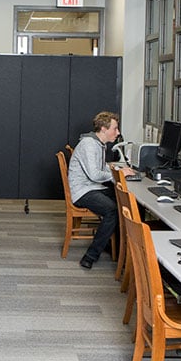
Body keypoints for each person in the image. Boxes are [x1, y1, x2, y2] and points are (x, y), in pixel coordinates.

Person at [67, 111, 136, 269]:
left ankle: (116, 248)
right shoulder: (89, 145)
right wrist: (118, 174)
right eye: (115, 129)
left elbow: (98, 167)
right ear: (104, 129)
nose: (118, 133)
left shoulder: (98, 143)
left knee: (124, 200)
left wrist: (113, 168)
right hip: (83, 191)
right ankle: (90, 256)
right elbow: (94, 175)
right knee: (112, 210)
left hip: (92, 187)